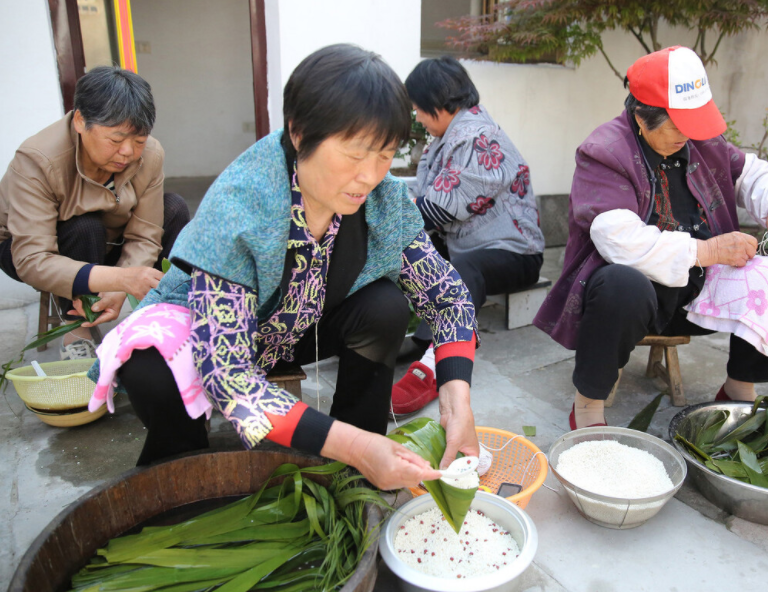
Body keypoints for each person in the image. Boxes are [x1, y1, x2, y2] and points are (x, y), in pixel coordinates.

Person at [87, 45, 480, 491]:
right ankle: (187, 469)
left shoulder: (382, 200)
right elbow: (229, 376)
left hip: (292, 329)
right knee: (150, 370)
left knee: (385, 307)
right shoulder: (242, 205)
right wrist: (351, 444)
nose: (370, 175)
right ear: (298, 132)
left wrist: (456, 400)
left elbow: (447, 297)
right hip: (210, 336)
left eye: (385, 155)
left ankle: (358, 470)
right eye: (354, 154)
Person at [534, 46, 768, 429]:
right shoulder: (605, 152)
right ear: (642, 116)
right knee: (621, 284)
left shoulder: (702, 141)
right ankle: (589, 405)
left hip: (701, 289)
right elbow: (617, 239)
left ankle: (739, 389)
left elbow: (752, 174)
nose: (686, 135)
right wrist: (706, 250)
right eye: (676, 125)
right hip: (640, 300)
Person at [0, 66, 188, 359]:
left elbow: (145, 234)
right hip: (33, 248)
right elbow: (32, 259)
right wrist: (120, 279)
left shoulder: (150, 154)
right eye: (115, 140)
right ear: (79, 120)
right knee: (84, 226)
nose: (128, 151)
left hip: (111, 238)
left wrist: (119, 285)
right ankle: (77, 332)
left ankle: (160, 318)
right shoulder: (37, 160)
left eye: (138, 141)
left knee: (174, 207)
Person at [392, 56, 545, 415]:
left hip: (516, 252)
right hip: (472, 244)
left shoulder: (478, 137)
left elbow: (438, 209)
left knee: (462, 268)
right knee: (432, 256)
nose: (416, 116)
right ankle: (426, 337)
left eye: (418, 108)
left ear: (438, 102)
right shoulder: (451, 136)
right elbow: (426, 198)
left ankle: (438, 364)